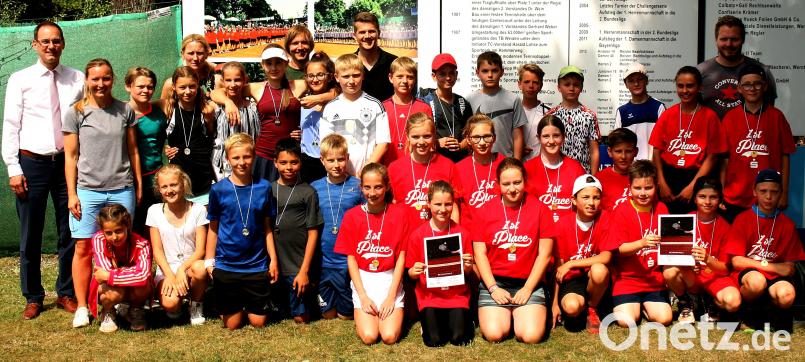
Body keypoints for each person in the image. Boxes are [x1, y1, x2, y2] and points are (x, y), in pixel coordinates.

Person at [2, 20, 83, 319]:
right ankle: (33, 296)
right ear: (35, 45)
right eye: (45, 41)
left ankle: (66, 292)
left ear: (63, 44)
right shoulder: (20, 79)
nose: (51, 46)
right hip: (31, 163)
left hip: (67, 164)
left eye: (56, 40)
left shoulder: (78, 78)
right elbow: (11, 125)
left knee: (70, 231)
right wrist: (13, 167)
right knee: (30, 233)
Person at [63, 58, 141, 328]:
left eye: (105, 78)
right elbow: (71, 156)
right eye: (95, 79)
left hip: (122, 189)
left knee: (123, 247)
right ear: (87, 80)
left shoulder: (125, 110)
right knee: (83, 248)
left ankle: (123, 303)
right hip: (87, 191)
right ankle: (83, 307)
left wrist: (138, 185)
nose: (100, 83)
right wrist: (72, 194)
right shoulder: (75, 112)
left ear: (113, 79)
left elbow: (133, 151)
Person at [474, 158, 554, 344]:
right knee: (495, 334)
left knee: (530, 336)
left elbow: (545, 254)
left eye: (517, 182)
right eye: (506, 183)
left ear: (525, 181)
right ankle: (505, 314)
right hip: (495, 283)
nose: (512, 189)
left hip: (529, 283)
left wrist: (528, 289)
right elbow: (480, 254)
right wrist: (493, 289)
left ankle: (526, 312)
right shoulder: (484, 210)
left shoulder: (540, 209)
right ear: (498, 184)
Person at [205, 133, 278, 330]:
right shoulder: (219, 190)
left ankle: (248, 302)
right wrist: (209, 262)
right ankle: (234, 303)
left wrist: (273, 260)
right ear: (227, 159)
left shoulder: (263, 187)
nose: (241, 162)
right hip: (227, 264)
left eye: (246, 157)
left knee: (258, 322)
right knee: (232, 325)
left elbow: (267, 228)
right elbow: (213, 228)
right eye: (236, 158)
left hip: (256, 265)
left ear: (253, 157)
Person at [334, 163, 408, 345]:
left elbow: (401, 258)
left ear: (387, 187)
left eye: (378, 187)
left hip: (390, 280)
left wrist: (391, 297)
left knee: (389, 336)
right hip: (364, 281)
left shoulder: (399, 213)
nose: (372, 193)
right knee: (369, 336)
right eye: (367, 187)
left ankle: (392, 311)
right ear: (361, 188)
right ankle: (363, 311)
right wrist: (363, 296)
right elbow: (351, 259)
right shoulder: (352, 216)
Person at [724, 169, 805, 332]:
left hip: (775, 277)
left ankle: (770, 313)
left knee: (787, 295)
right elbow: (736, 261)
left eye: (774, 192)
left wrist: (779, 269)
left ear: (781, 193)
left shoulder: (787, 224)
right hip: (751, 274)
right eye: (763, 191)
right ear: (755, 191)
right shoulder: (742, 219)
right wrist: (772, 267)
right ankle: (747, 312)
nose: (768, 197)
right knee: (756, 282)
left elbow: (789, 267)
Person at [213, 45, 302, 183]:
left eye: (278, 62)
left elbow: (330, 87)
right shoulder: (255, 88)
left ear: (286, 63)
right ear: (262, 65)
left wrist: (319, 98)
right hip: (263, 155)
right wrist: (227, 102)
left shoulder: (298, 85)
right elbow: (216, 92)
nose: (273, 68)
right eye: (269, 63)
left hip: (289, 156)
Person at [721, 64, 795, 222]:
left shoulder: (777, 117)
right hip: (735, 196)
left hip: (768, 196)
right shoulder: (730, 118)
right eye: (747, 84)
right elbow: (724, 160)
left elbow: (785, 157)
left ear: (765, 86)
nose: (752, 88)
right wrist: (721, 192)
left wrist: (784, 193)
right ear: (739, 88)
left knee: (763, 244)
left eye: (757, 83)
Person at [603, 160, 672, 327]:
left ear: (656, 186)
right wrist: (642, 243)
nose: (643, 193)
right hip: (627, 279)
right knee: (626, 322)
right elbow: (619, 250)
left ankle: (646, 308)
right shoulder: (622, 210)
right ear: (630, 187)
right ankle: (635, 307)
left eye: (648, 188)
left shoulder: (661, 208)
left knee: (665, 319)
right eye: (637, 188)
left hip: (654, 278)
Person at [662, 177, 739, 324]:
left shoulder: (726, 227)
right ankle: (686, 305)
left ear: (720, 200)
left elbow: (725, 270)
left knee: (733, 302)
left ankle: (712, 303)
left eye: (713, 197)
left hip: (715, 277)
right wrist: (689, 264)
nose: (707, 202)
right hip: (693, 276)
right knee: (669, 271)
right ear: (695, 199)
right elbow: (672, 257)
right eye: (702, 196)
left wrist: (707, 259)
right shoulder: (684, 221)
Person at [406, 181, 474, 347]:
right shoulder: (417, 235)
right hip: (430, 297)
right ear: (428, 204)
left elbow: (468, 273)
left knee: (459, 339)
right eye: (437, 204)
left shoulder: (462, 234)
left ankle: (464, 321)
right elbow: (410, 273)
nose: (443, 209)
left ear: (453, 205)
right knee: (434, 341)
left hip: (456, 296)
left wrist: (467, 266)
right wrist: (414, 271)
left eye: (448, 204)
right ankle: (431, 323)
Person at [649, 66, 725, 214]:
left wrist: (693, 187)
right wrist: (661, 183)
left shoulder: (710, 117)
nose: (685, 91)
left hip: (697, 178)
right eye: (680, 86)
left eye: (690, 86)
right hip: (669, 179)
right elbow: (657, 150)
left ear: (699, 87)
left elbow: (713, 156)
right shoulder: (667, 115)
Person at [146, 164, 208, 325]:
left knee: (200, 268)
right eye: (164, 186)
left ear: (183, 184)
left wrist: (182, 269)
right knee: (170, 305)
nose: (169, 190)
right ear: (159, 189)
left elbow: (201, 250)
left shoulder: (199, 210)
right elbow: (157, 252)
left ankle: (196, 304)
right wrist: (170, 276)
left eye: (173, 184)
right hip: (167, 268)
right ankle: (178, 302)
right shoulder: (153, 211)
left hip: (191, 265)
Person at [270, 138, 323, 323]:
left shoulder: (308, 192)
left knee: (301, 318)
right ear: (275, 163)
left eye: (294, 162)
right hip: (275, 262)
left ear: (300, 162)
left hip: (297, 264)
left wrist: (304, 271)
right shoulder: (268, 190)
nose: (289, 167)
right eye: (283, 162)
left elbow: (313, 232)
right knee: (274, 313)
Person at [311, 134, 364, 320]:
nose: (336, 165)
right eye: (331, 160)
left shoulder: (358, 186)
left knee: (345, 314)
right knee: (327, 314)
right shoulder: (314, 188)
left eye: (341, 159)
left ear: (347, 158)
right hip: (324, 259)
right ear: (322, 160)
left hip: (348, 260)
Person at [551, 175, 611, 334]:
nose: (591, 202)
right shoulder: (563, 224)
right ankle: (580, 308)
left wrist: (571, 263)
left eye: (596, 197)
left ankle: (592, 308)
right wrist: (554, 303)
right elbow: (559, 266)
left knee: (599, 269)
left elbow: (606, 257)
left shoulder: (605, 218)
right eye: (585, 197)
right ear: (574, 200)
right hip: (572, 280)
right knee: (571, 308)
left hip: (595, 279)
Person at [320, 53, 390, 175]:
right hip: (339, 176)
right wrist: (340, 171)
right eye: (346, 76)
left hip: (367, 176)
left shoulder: (375, 105)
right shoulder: (330, 108)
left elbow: (383, 144)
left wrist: (366, 170)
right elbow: (326, 146)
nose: (351, 81)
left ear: (363, 75)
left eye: (356, 75)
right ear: (336, 77)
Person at [388, 112, 462, 228]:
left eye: (427, 136)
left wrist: (453, 235)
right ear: (407, 136)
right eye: (415, 137)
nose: (421, 142)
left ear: (434, 135)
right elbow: (391, 206)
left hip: (438, 236)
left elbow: (454, 207)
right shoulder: (394, 168)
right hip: (406, 236)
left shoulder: (447, 165)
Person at [697, 15, 776, 119]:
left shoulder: (762, 71)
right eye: (724, 39)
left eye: (734, 39)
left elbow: (768, 112)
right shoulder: (700, 72)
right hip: (711, 135)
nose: (729, 44)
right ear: (716, 40)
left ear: (743, 40)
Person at [91, 204, 152, 333]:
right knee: (115, 291)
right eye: (108, 233)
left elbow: (143, 276)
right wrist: (132, 272)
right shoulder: (98, 239)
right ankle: (108, 311)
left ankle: (135, 310)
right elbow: (102, 274)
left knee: (144, 285)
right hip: (112, 288)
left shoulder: (142, 244)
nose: (114, 237)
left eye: (118, 231)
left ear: (127, 226)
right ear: (102, 231)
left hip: (128, 286)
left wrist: (110, 275)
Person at [163, 66, 216, 204]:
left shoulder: (206, 110)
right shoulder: (168, 108)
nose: (187, 91)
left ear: (198, 85)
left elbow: (211, 137)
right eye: (182, 87)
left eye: (192, 86)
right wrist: (164, 147)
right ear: (174, 87)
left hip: (203, 178)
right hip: (177, 181)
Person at [126, 67, 168, 235]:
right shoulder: (120, 113)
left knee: (155, 228)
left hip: (155, 179)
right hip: (127, 180)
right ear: (128, 86)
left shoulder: (160, 112)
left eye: (150, 87)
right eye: (140, 86)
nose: (146, 90)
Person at [523, 115, 586, 224]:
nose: (551, 141)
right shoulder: (528, 168)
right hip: (539, 233)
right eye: (546, 136)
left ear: (563, 137)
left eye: (556, 135)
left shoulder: (575, 168)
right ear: (539, 138)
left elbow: (584, 204)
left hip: (568, 233)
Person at [466, 51, 527, 159]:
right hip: (477, 161)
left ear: (502, 72)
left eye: (494, 70)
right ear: (477, 72)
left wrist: (516, 162)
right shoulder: (469, 100)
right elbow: (467, 134)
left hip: (506, 161)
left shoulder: (513, 99)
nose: (490, 75)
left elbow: (517, 135)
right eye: (485, 71)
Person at [418, 53, 473, 163]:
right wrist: (437, 143)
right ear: (434, 76)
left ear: (456, 75)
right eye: (442, 74)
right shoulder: (425, 101)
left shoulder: (462, 103)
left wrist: (461, 145)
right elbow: (417, 135)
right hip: (434, 161)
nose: (448, 78)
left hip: (459, 162)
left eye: (451, 73)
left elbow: (472, 134)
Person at [546, 65, 601, 174]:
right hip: (558, 174)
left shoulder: (589, 115)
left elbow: (594, 151)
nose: (571, 88)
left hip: (583, 174)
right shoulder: (551, 115)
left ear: (581, 88)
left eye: (576, 85)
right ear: (559, 87)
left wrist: (593, 178)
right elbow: (546, 147)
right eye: (567, 84)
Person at [211, 62, 260, 181]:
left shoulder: (254, 107)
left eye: (237, 80)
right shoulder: (215, 107)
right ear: (222, 81)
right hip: (223, 164)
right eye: (228, 80)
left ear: (244, 80)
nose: (232, 85)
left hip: (249, 163)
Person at [382, 57, 432, 165]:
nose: (404, 81)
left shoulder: (424, 108)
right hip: (387, 167)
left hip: (416, 167)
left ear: (415, 80)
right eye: (399, 76)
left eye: (410, 77)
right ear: (390, 78)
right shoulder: (382, 108)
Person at [456, 114, 505, 226]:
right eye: (476, 137)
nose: (482, 143)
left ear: (494, 138)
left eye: (487, 136)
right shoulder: (458, 169)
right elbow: (454, 206)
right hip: (470, 234)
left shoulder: (505, 165)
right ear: (468, 139)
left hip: (499, 231)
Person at [614, 62, 666, 161]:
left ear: (646, 81)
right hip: (630, 170)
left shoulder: (658, 107)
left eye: (640, 79)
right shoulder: (622, 111)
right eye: (631, 81)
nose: (636, 84)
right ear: (626, 84)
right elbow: (618, 143)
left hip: (653, 168)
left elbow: (663, 142)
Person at [300, 52, 338, 183]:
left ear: (330, 76)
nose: (315, 80)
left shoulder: (339, 101)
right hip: (307, 161)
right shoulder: (302, 98)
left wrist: (318, 98)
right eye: (310, 76)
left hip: (332, 162)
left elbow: (339, 92)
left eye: (320, 75)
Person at [352, 12, 397, 102]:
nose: (367, 36)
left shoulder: (394, 62)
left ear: (379, 33)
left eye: (371, 31)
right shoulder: (347, 64)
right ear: (354, 36)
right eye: (362, 32)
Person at [160, 34, 219, 98]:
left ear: (206, 54)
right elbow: (164, 106)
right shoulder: (171, 84)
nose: (195, 58)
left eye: (199, 53)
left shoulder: (216, 78)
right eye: (191, 53)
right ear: (182, 54)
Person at [596, 128, 638, 211]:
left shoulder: (644, 177)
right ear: (609, 152)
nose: (623, 156)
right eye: (618, 151)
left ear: (635, 152)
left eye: (628, 151)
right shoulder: (599, 180)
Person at [518, 64, 551, 161]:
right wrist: (517, 147)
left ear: (541, 85)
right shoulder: (512, 111)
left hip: (540, 166)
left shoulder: (548, 112)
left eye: (535, 82)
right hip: (516, 166)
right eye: (526, 82)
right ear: (519, 84)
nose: (531, 86)